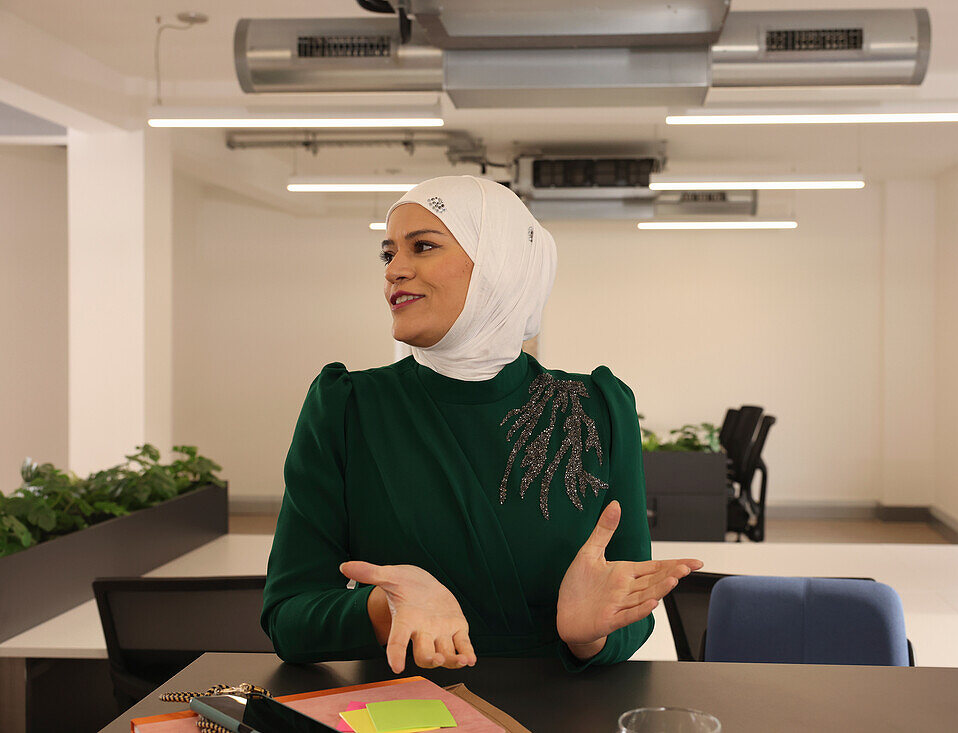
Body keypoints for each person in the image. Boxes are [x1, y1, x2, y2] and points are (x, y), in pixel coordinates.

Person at [261, 175, 702, 674]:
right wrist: (383, 610)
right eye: (388, 254)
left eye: (422, 247)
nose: (394, 271)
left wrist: (591, 636)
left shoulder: (595, 406)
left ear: (501, 263)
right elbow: (288, 618)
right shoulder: (346, 407)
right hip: (405, 714)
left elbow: (630, 605)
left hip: (563, 707)